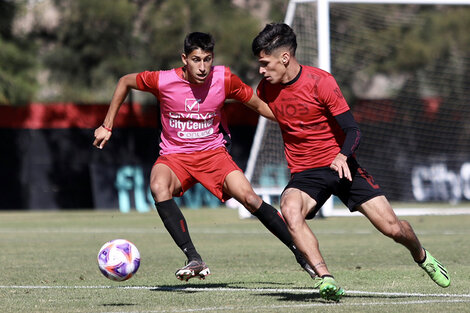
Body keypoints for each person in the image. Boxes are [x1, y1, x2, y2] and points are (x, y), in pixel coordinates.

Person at [93, 32, 316, 282]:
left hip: (214, 156)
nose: (202, 67)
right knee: (158, 186)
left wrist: (296, 121)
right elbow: (125, 81)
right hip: (174, 156)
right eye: (196, 59)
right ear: (184, 59)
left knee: (251, 198)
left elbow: (260, 105)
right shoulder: (163, 80)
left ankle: (300, 252)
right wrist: (107, 125)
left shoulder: (225, 79)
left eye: (207, 59)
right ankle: (193, 258)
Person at [251, 23, 450, 301]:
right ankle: (325, 278)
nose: (261, 70)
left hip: (342, 165)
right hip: (306, 173)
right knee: (290, 209)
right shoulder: (266, 88)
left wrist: (342, 155)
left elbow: (354, 130)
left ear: (284, 58)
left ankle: (421, 254)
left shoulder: (321, 82)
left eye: (265, 63)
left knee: (392, 228)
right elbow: (257, 105)